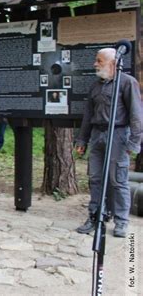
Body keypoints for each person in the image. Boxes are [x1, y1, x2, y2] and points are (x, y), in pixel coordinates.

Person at [75, 48, 142, 238]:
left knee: (118, 180)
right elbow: (88, 115)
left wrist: (133, 144)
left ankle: (121, 221)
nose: (95, 64)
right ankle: (96, 216)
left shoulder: (128, 83)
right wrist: (82, 139)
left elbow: (137, 115)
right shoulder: (95, 86)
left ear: (113, 63)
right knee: (95, 178)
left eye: (99, 61)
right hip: (97, 135)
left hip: (118, 135)